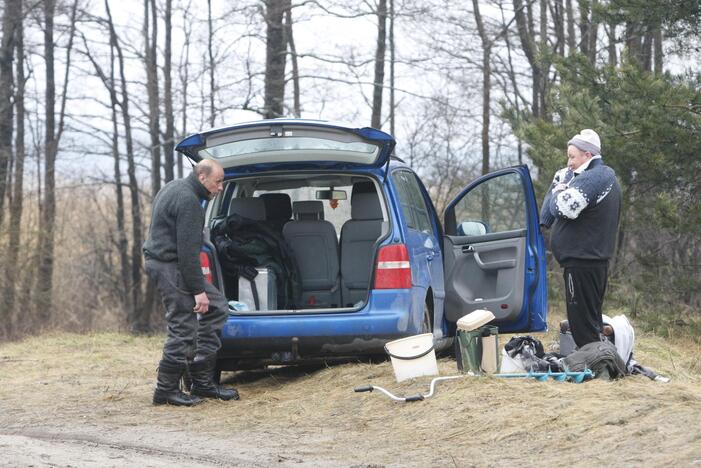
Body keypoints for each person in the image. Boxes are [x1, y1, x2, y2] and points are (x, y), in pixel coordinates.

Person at [143, 159, 239, 406]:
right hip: (169, 265)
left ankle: (202, 383)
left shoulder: (175, 187)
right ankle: (165, 391)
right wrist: (198, 291)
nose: (220, 188)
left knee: (218, 307)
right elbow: (188, 254)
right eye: (218, 182)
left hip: (168, 263)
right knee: (183, 325)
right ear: (202, 177)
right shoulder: (189, 202)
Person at [540, 129, 622, 348]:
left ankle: (595, 368)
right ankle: (599, 361)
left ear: (587, 155)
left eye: (572, 156)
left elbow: (563, 208)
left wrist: (558, 192)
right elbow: (550, 209)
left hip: (583, 262)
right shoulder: (583, 175)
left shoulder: (596, 177)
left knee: (582, 325)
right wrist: (559, 185)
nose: (568, 162)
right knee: (589, 321)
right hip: (586, 261)